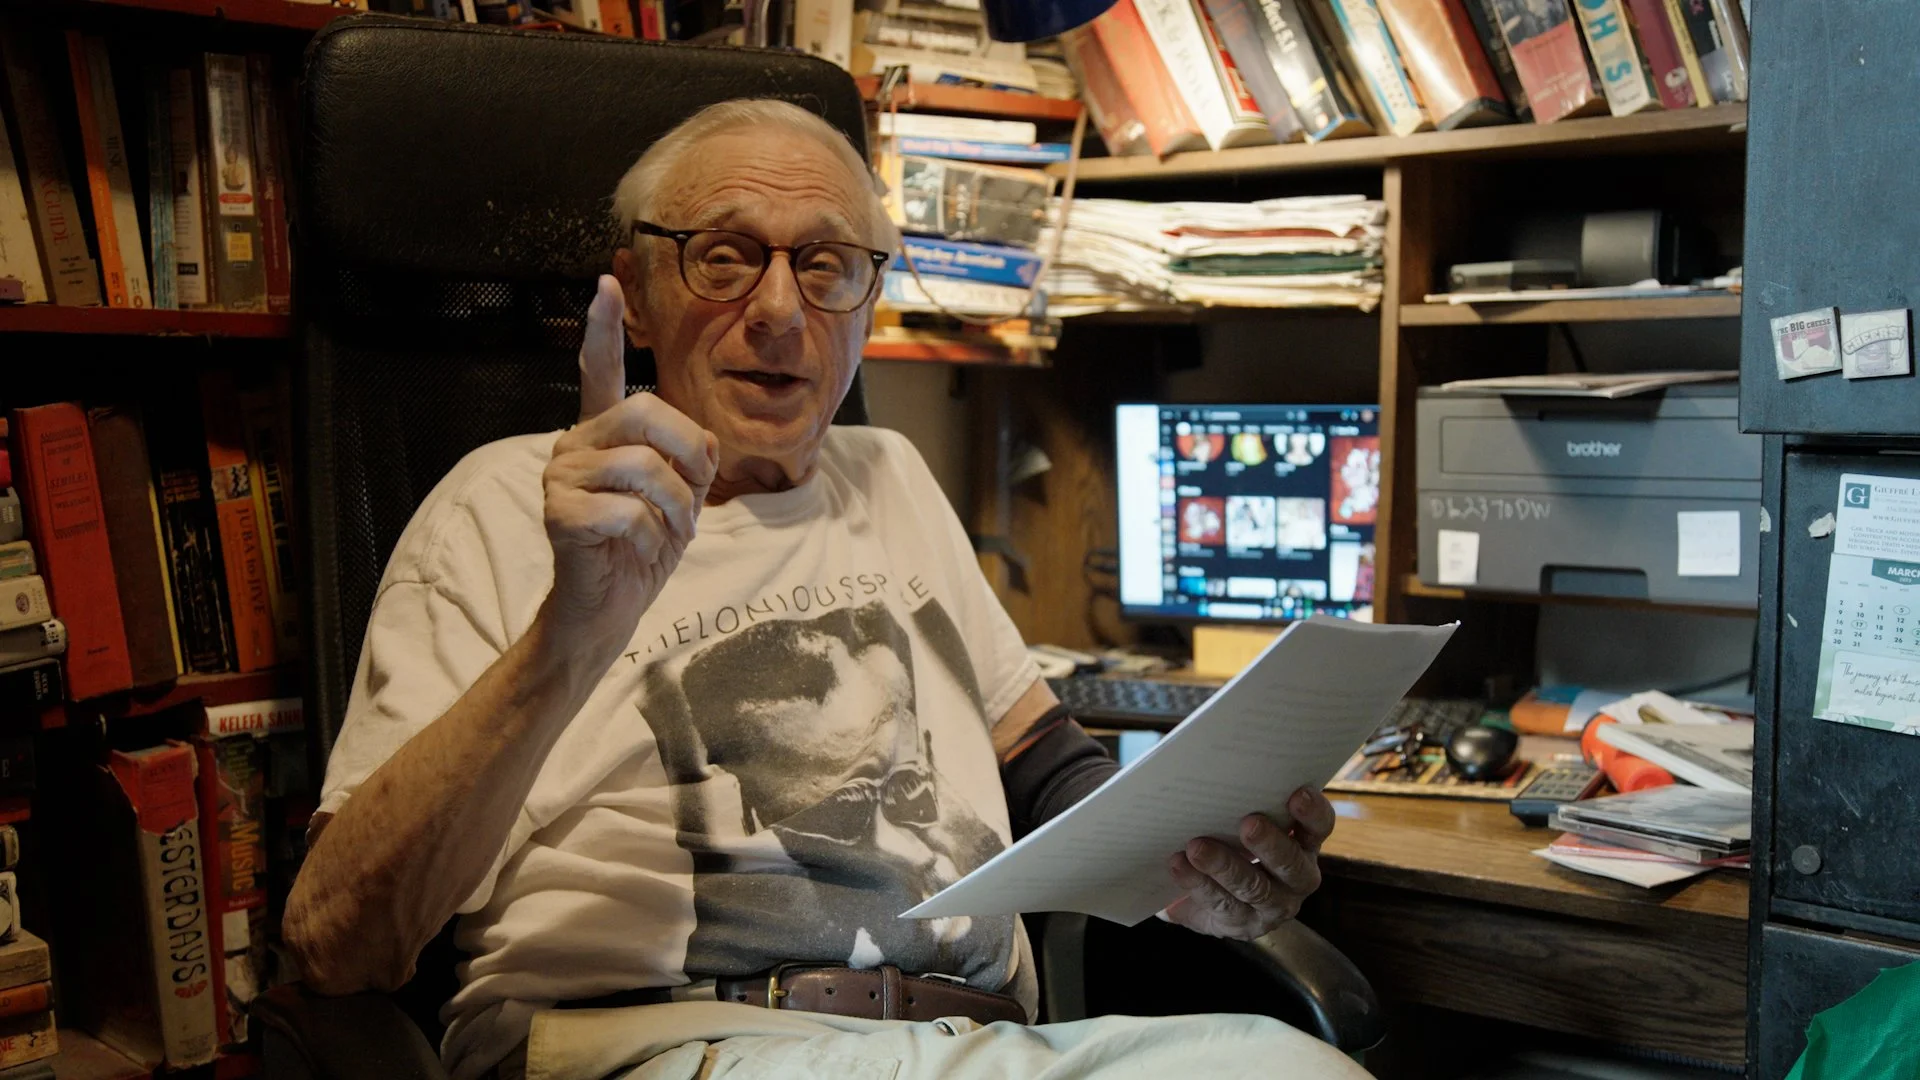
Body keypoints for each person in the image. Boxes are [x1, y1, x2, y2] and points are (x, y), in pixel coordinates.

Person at [283, 99, 1359, 1080]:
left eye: (829, 265)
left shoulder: (889, 475)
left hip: (980, 1044)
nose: (781, 312)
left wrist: (1206, 862)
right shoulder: (505, 503)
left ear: (865, 297)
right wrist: (573, 631)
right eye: (725, 258)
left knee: (1296, 1066)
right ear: (638, 295)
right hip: (675, 1044)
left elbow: (1049, 771)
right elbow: (339, 942)